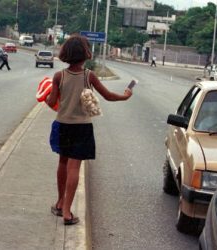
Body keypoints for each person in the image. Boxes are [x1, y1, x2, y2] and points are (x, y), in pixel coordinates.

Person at [46, 35, 132, 226]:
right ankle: (67, 211)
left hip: (62, 125)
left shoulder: (59, 76)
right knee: (74, 167)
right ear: (86, 54)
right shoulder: (89, 76)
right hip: (82, 127)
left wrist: (46, 97)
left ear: (66, 53)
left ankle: (60, 203)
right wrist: (125, 96)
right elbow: (108, 96)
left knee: (62, 162)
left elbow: (51, 101)